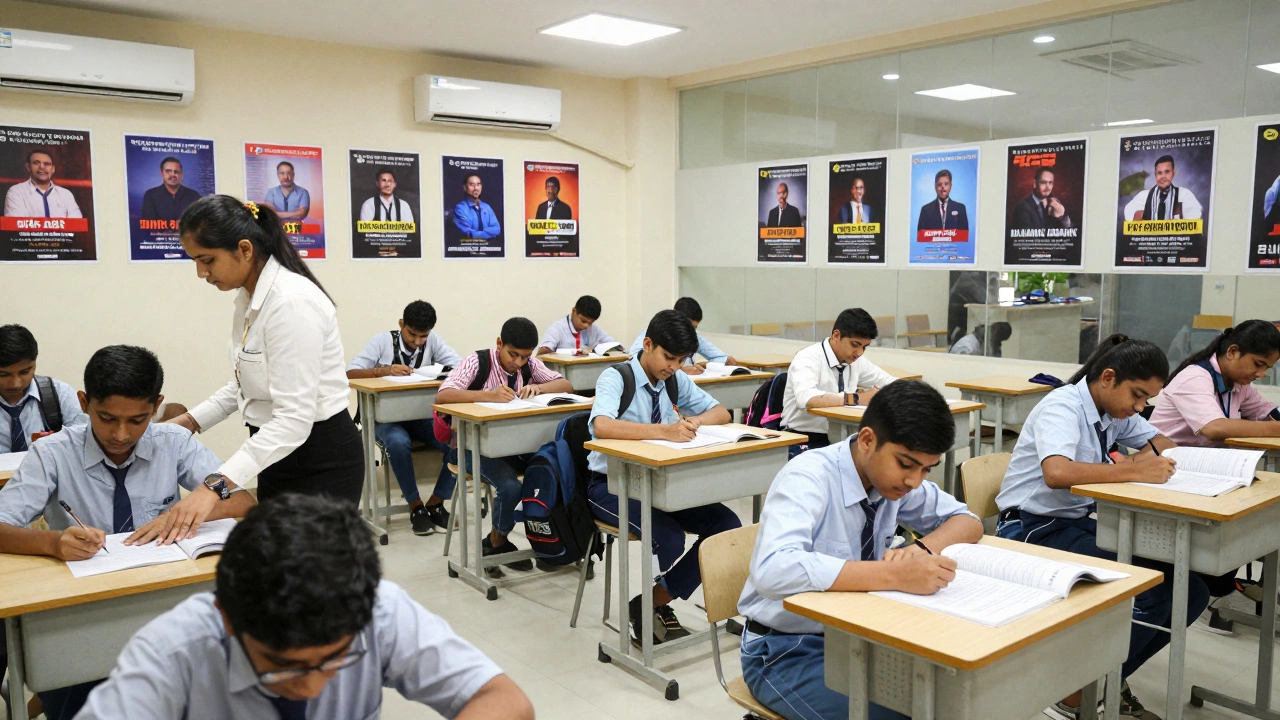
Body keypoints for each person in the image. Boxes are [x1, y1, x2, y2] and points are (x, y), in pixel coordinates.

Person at [76, 494, 534, 720]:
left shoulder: (374, 608)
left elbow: (506, 702)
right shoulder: (174, 649)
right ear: (227, 618)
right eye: (280, 666)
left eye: (336, 659)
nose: (312, 687)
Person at [0, 345, 256, 720]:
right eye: (107, 418)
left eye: (137, 420)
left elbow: (244, 503)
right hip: (83, 611)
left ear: (157, 406)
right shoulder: (52, 453)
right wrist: (53, 542)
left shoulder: (173, 442)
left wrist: (194, 505)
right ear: (84, 403)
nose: (121, 434)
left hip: (162, 599)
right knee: (80, 694)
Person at [740, 381, 982, 720]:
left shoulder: (893, 480)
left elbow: (967, 521)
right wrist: (894, 574)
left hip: (855, 636)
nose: (915, 480)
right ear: (868, 440)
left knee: (948, 696)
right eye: (907, 465)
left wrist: (923, 550)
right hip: (784, 647)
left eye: (926, 469)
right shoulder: (809, 477)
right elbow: (772, 570)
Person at [995, 335, 1207, 720]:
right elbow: (1057, 473)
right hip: (1029, 530)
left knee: (1191, 589)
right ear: (1108, 377)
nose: (1140, 408)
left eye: (1147, 401)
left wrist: (1136, 464)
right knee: (1153, 590)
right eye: (1137, 396)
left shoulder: (1112, 413)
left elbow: (1162, 440)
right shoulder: (1063, 407)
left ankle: (1102, 680)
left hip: (1075, 524)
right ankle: (1073, 696)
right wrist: (1131, 470)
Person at [170, 195, 364, 505]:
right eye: (195, 261)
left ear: (244, 250)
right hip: (274, 454)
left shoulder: (291, 303)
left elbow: (292, 420)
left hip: (320, 461)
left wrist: (214, 486)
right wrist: (188, 423)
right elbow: (244, 385)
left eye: (207, 260)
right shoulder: (249, 300)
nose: (201, 273)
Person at [588, 310, 742, 644]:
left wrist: (693, 422)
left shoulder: (673, 379)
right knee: (669, 537)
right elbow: (601, 425)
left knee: (727, 525)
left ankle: (654, 600)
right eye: (667, 357)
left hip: (659, 484)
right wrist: (664, 431)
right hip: (611, 486)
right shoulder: (616, 377)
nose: (672, 366)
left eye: (680, 360)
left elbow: (721, 412)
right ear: (647, 344)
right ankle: (656, 607)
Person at [1147, 320, 1280, 633]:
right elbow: (1214, 427)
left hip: (1206, 475)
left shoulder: (1236, 384)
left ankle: (1226, 581)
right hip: (1167, 477)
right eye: (1258, 364)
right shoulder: (1196, 377)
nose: (1260, 374)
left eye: (1268, 368)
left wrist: (1274, 420)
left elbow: (1264, 411)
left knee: (1262, 510)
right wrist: (1275, 429)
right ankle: (1215, 587)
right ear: (1232, 351)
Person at [435, 317, 573, 574]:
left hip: (512, 446)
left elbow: (565, 384)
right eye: (513, 355)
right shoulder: (477, 362)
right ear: (499, 343)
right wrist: (487, 396)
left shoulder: (529, 364)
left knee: (554, 472)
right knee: (510, 487)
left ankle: (550, 544)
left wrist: (538, 387)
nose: (518, 362)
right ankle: (496, 542)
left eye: (524, 356)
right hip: (469, 448)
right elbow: (443, 395)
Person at [346, 300, 461, 536]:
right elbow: (350, 373)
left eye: (423, 336)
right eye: (412, 334)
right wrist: (384, 370)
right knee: (398, 443)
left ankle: (436, 503)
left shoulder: (433, 341)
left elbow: (459, 366)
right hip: (384, 418)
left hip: (419, 417)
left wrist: (443, 372)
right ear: (401, 324)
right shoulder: (381, 341)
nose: (418, 341)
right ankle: (416, 506)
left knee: (458, 441)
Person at [782, 308, 896, 457]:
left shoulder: (856, 361)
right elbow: (807, 398)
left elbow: (890, 382)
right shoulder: (808, 358)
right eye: (855, 344)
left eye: (864, 347)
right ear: (836, 335)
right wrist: (857, 399)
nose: (859, 353)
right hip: (805, 439)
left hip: (844, 439)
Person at [0, 324, 85, 453]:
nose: (16, 384)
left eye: (24, 372)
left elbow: (82, 443)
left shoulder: (59, 393)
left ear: (34, 364)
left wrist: (58, 443)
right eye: (4, 375)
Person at [628, 297, 736, 373]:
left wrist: (706, 365)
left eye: (695, 328)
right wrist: (682, 371)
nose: (691, 331)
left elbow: (727, 359)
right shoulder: (653, 334)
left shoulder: (694, 338)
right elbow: (634, 361)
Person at [3, 148, 83, 218]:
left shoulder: (65, 194)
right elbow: (16, 226)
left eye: (46, 164)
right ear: (28, 167)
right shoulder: (16, 192)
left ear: (53, 169)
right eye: (36, 163)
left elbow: (76, 225)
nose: (42, 167)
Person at [1123, 154, 1203, 221]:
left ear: (1173, 173)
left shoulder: (1184, 194)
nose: (1163, 176)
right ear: (1155, 175)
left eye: (1167, 172)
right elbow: (1130, 215)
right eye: (1159, 173)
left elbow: (1194, 219)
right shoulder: (1144, 196)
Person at [537, 295, 616, 356]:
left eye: (590, 323)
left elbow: (615, 346)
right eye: (583, 321)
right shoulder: (557, 328)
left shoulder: (594, 329)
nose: (586, 326)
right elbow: (543, 352)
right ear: (573, 311)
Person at [139, 156, 203, 222]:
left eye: (176, 171)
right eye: (168, 171)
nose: (173, 175)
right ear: (162, 173)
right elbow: (148, 224)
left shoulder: (194, 196)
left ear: (182, 174)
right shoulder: (150, 195)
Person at [452, 173, 501, 240]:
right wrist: (488, 233)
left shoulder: (487, 207)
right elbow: (468, 233)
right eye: (472, 185)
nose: (476, 188)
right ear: (464, 188)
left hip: (488, 248)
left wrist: (478, 233)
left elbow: (497, 229)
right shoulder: (460, 208)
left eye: (478, 184)